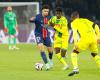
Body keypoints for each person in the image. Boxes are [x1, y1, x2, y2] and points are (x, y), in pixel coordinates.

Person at [68, 11, 100, 76]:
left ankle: (75, 69)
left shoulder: (73, 23)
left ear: (72, 18)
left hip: (85, 39)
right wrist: (98, 37)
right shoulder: (85, 20)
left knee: (74, 53)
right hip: (94, 38)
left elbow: (74, 33)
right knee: (94, 54)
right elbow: (96, 26)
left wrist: (76, 43)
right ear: (78, 16)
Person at [29, 5, 53, 70]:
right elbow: (31, 20)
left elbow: (52, 24)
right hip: (38, 35)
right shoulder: (37, 17)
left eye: (47, 11)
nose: (46, 12)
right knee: (41, 48)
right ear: (42, 11)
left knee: (50, 50)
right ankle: (47, 64)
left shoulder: (49, 17)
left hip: (46, 35)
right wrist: (31, 19)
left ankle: (50, 60)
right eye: (45, 11)